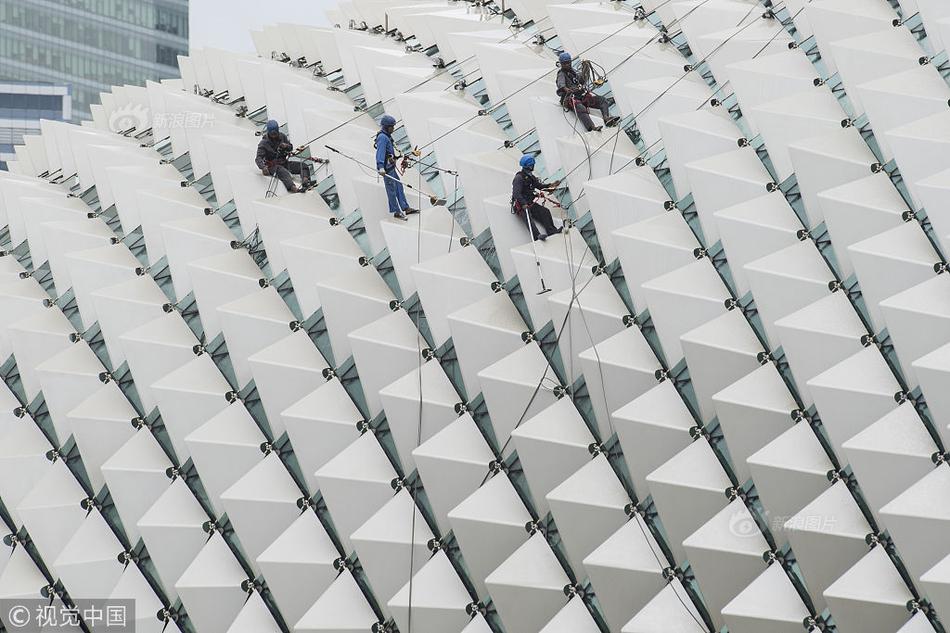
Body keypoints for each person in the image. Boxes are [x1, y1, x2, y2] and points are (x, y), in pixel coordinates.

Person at [556, 51, 619, 132]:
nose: (567, 65)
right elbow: (561, 84)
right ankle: (592, 127)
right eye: (564, 63)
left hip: (581, 97)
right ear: (561, 64)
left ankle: (606, 118)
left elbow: (581, 81)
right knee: (580, 107)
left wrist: (585, 70)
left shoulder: (573, 72)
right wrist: (567, 90)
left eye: (568, 62)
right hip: (571, 99)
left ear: (570, 62)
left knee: (602, 100)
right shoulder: (561, 74)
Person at [375, 114, 418, 220]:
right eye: (392, 127)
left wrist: (407, 155)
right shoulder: (382, 138)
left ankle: (405, 207)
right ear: (386, 127)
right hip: (386, 170)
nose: (393, 129)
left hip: (391, 167)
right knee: (391, 190)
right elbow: (380, 153)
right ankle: (396, 212)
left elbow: (394, 151)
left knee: (399, 187)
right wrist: (381, 166)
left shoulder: (387, 136)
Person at [511, 155, 562, 241]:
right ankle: (537, 236)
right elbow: (516, 194)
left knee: (545, 211)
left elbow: (539, 186)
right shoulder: (518, 178)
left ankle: (551, 231)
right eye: (532, 165)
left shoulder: (530, 176)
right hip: (521, 205)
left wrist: (550, 185)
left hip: (529, 203)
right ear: (529, 166)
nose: (533, 166)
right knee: (528, 218)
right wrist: (524, 204)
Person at [256, 120, 311, 193]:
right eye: (272, 134)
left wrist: (286, 146)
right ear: (268, 132)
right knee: (283, 171)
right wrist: (263, 167)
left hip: (284, 163)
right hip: (272, 167)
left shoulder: (282, 136)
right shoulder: (263, 143)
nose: (274, 136)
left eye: (275, 134)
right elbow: (258, 158)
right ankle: (294, 188)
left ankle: (305, 181)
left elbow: (290, 147)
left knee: (303, 166)